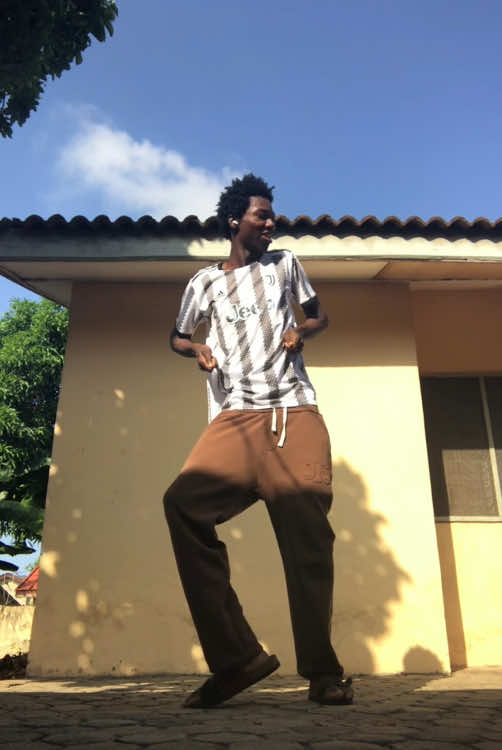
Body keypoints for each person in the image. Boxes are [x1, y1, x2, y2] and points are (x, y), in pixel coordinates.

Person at [164, 173, 353, 708]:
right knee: (182, 506)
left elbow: (318, 316)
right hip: (235, 418)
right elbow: (177, 335)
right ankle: (237, 660)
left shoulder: (285, 264)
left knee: (308, 543)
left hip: (293, 413)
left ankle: (323, 673)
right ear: (234, 221)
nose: (272, 223)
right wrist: (196, 349)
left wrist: (302, 330)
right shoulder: (204, 283)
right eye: (262, 215)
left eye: (272, 216)